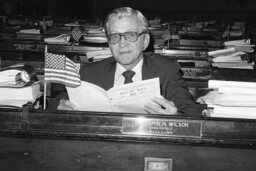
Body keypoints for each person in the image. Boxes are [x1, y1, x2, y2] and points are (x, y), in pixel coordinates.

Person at [52, 7, 201, 116]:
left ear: (145, 41)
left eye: (130, 35)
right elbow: (52, 106)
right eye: (115, 36)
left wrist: (174, 118)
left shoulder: (166, 70)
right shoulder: (90, 73)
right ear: (109, 43)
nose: (122, 44)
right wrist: (62, 109)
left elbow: (192, 114)